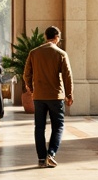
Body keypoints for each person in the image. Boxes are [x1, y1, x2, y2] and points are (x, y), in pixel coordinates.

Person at [22, 26, 73, 168]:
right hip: (56, 96)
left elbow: (26, 74)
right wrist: (69, 94)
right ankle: (50, 154)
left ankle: (41, 157)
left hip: (39, 96)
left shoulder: (34, 53)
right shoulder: (61, 54)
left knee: (39, 127)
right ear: (57, 37)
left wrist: (31, 89)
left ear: (46, 36)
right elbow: (67, 76)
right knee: (58, 126)